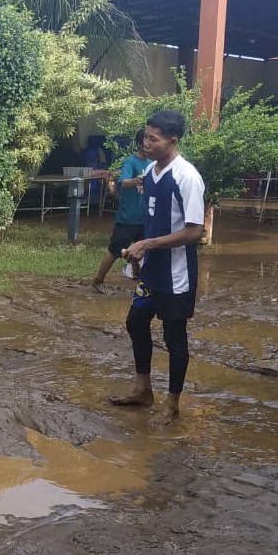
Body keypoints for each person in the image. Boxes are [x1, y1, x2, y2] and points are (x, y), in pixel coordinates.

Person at [107, 110, 205, 426]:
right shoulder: (150, 172)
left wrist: (148, 245)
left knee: (175, 338)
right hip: (150, 270)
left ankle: (172, 404)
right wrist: (139, 253)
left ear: (172, 141)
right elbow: (153, 220)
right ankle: (143, 388)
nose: (146, 143)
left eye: (154, 138)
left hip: (177, 274)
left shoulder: (186, 176)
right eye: (146, 137)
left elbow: (194, 231)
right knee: (136, 322)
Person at [92, 129, 150, 293]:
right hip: (127, 218)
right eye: (147, 142)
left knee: (141, 251)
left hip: (144, 218)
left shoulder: (152, 163)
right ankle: (98, 280)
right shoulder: (131, 162)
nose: (150, 145)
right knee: (115, 250)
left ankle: (139, 280)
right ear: (140, 144)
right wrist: (135, 180)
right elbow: (123, 183)